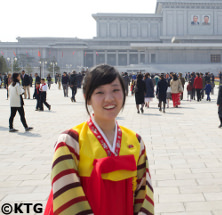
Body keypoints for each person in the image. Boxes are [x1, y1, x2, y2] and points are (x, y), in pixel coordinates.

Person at [43, 64, 154, 215]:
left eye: (116, 90)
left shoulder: (135, 141)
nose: (109, 98)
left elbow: (144, 193)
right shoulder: (70, 141)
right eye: (99, 92)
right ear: (87, 99)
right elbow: (66, 196)